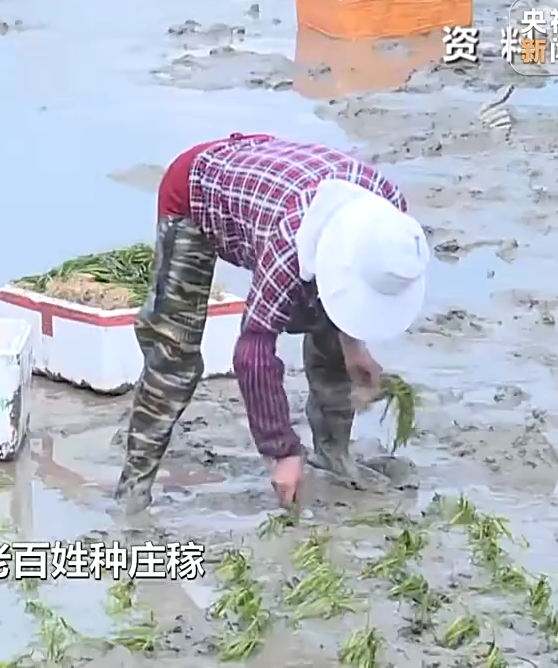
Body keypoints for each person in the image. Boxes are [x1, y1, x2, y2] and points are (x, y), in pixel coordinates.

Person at [113, 133, 429, 514]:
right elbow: (253, 351)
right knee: (174, 353)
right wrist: (281, 450)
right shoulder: (288, 245)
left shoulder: (390, 217)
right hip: (198, 190)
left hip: (274, 182)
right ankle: (134, 485)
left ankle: (333, 453)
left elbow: (349, 290)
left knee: (324, 316)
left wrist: (353, 345)